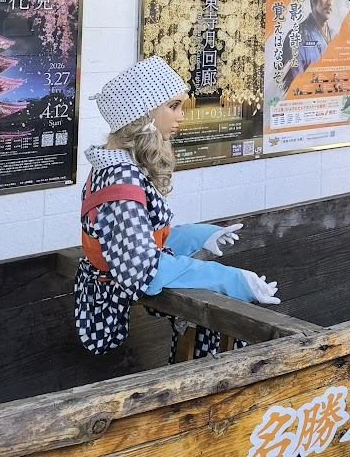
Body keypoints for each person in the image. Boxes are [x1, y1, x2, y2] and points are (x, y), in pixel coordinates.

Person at [74, 56, 279, 355]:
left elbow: (138, 240)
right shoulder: (122, 184)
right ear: (142, 115)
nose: (181, 117)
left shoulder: (111, 168)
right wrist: (229, 280)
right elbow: (147, 270)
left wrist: (200, 236)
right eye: (173, 107)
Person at [282, 0, 336, 87]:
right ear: (313, 0)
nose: (329, 3)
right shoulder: (297, 36)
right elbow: (295, 83)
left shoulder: (334, 34)